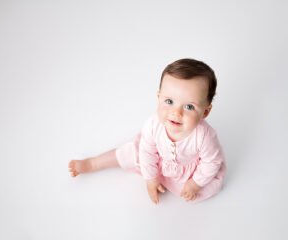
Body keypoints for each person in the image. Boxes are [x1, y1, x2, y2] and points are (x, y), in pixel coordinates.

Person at [68, 58, 226, 204]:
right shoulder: (153, 124)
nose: (176, 113)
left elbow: (211, 162)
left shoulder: (205, 136)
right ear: (159, 97)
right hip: (156, 158)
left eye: (189, 106)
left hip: (189, 170)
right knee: (131, 152)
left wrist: (195, 184)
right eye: (169, 101)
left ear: (205, 112)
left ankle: (187, 184)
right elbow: (147, 151)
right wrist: (151, 178)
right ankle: (93, 163)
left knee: (207, 187)